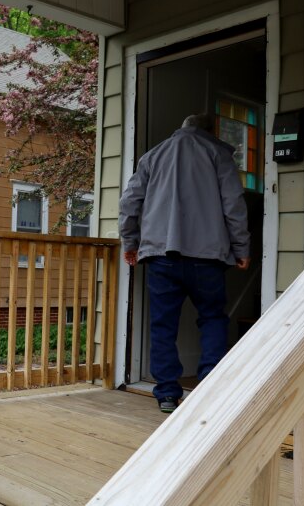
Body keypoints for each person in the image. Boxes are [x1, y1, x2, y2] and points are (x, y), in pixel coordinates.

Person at [118, 114, 250, 414]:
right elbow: (234, 205)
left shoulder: (152, 156)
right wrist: (242, 247)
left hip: (161, 256)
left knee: (163, 325)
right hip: (208, 258)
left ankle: (166, 393)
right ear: (209, 130)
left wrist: (131, 243)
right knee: (213, 319)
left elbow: (129, 203)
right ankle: (209, 389)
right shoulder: (219, 154)